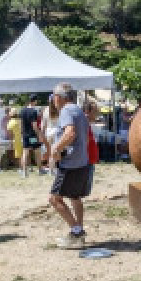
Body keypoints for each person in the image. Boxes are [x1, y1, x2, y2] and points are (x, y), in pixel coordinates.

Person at [46, 82, 93, 248]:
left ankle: (76, 231)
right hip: (82, 162)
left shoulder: (66, 110)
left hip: (70, 164)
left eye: (53, 97)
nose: (53, 100)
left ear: (59, 97)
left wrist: (56, 149)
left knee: (54, 198)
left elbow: (70, 133)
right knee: (75, 197)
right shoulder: (79, 110)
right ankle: (79, 234)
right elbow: (85, 138)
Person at [18, 95, 44, 177]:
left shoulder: (22, 111)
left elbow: (20, 124)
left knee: (25, 152)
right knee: (37, 151)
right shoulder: (33, 111)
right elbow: (34, 125)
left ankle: (24, 172)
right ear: (35, 101)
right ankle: (40, 170)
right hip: (32, 136)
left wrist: (22, 133)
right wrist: (39, 134)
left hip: (25, 135)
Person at [41, 98, 61, 173]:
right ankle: (55, 167)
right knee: (56, 151)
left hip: (48, 132)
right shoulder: (59, 109)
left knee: (49, 151)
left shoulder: (46, 110)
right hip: (57, 131)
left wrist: (42, 133)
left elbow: (43, 124)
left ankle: (50, 169)